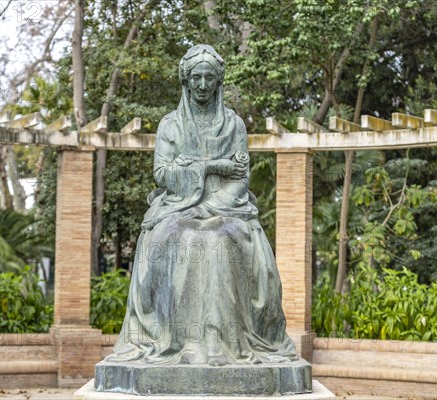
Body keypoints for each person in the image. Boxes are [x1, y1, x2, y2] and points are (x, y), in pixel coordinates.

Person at [106, 44, 298, 366]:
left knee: (220, 239)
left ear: (219, 80)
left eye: (210, 77)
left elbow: (241, 179)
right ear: (187, 80)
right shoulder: (171, 125)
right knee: (181, 237)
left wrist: (209, 197)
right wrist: (212, 166)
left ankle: (217, 343)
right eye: (197, 77)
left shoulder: (234, 125)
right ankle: (183, 341)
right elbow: (162, 173)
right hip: (178, 207)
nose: (204, 84)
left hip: (228, 210)